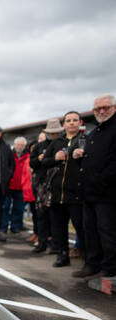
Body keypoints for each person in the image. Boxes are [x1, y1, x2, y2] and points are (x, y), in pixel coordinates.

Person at [72, 94, 116, 278]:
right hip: (88, 193)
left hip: (107, 193)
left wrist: (99, 181)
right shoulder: (95, 132)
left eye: (106, 107)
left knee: (107, 232)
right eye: (98, 109)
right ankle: (92, 264)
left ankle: (110, 268)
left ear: (114, 108)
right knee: (89, 230)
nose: (102, 111)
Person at [41, 112, 86, 268]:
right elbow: (44, 163)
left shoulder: (85, 140)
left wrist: (82, 157)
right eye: (68, 120)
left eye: (75, 120)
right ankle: (63, 255)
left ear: (80, 122)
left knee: (81, 227)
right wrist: (55, 158)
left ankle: (88, 258)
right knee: (58, 228)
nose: (72, 123)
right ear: (64, 124)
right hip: (56, 193)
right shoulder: (56, 142)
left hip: (76, 194)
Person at [30, 127, 57, 253]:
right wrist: (39, 159)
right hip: (42, 185)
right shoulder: (39, 146)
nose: (52, 133)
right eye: (50, 131)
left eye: (55, 131)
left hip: (55, 184)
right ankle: (42, 242)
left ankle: (54, 244)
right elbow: (32, 163)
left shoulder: (60, 143)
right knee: (41, 214)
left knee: (55, 215)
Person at [1, 137, 29, 234]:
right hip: (9, 185)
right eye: (18, 144)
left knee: (19, 208)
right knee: (6, 207)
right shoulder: (9, 154)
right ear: (14, 144)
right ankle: (3, 227)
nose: (19, 146)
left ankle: (15, 227)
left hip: (21, 186)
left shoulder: (27, 156)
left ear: (24, 146)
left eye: (22, 145)